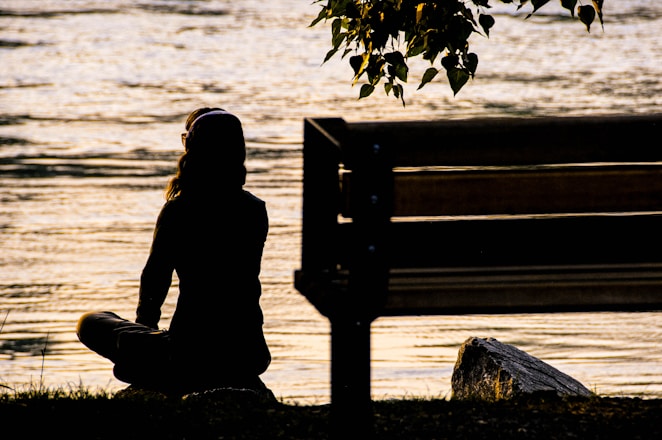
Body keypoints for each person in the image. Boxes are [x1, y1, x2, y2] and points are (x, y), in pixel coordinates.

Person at [77, 107, 272, 396]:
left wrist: (145, 329)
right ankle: (154, 362)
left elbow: (156, 275)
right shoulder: (255, 210)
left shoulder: (179, 210)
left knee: (91, 321)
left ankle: (150, 368)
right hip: (248, 353)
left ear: (193, 148)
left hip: (189, 353)